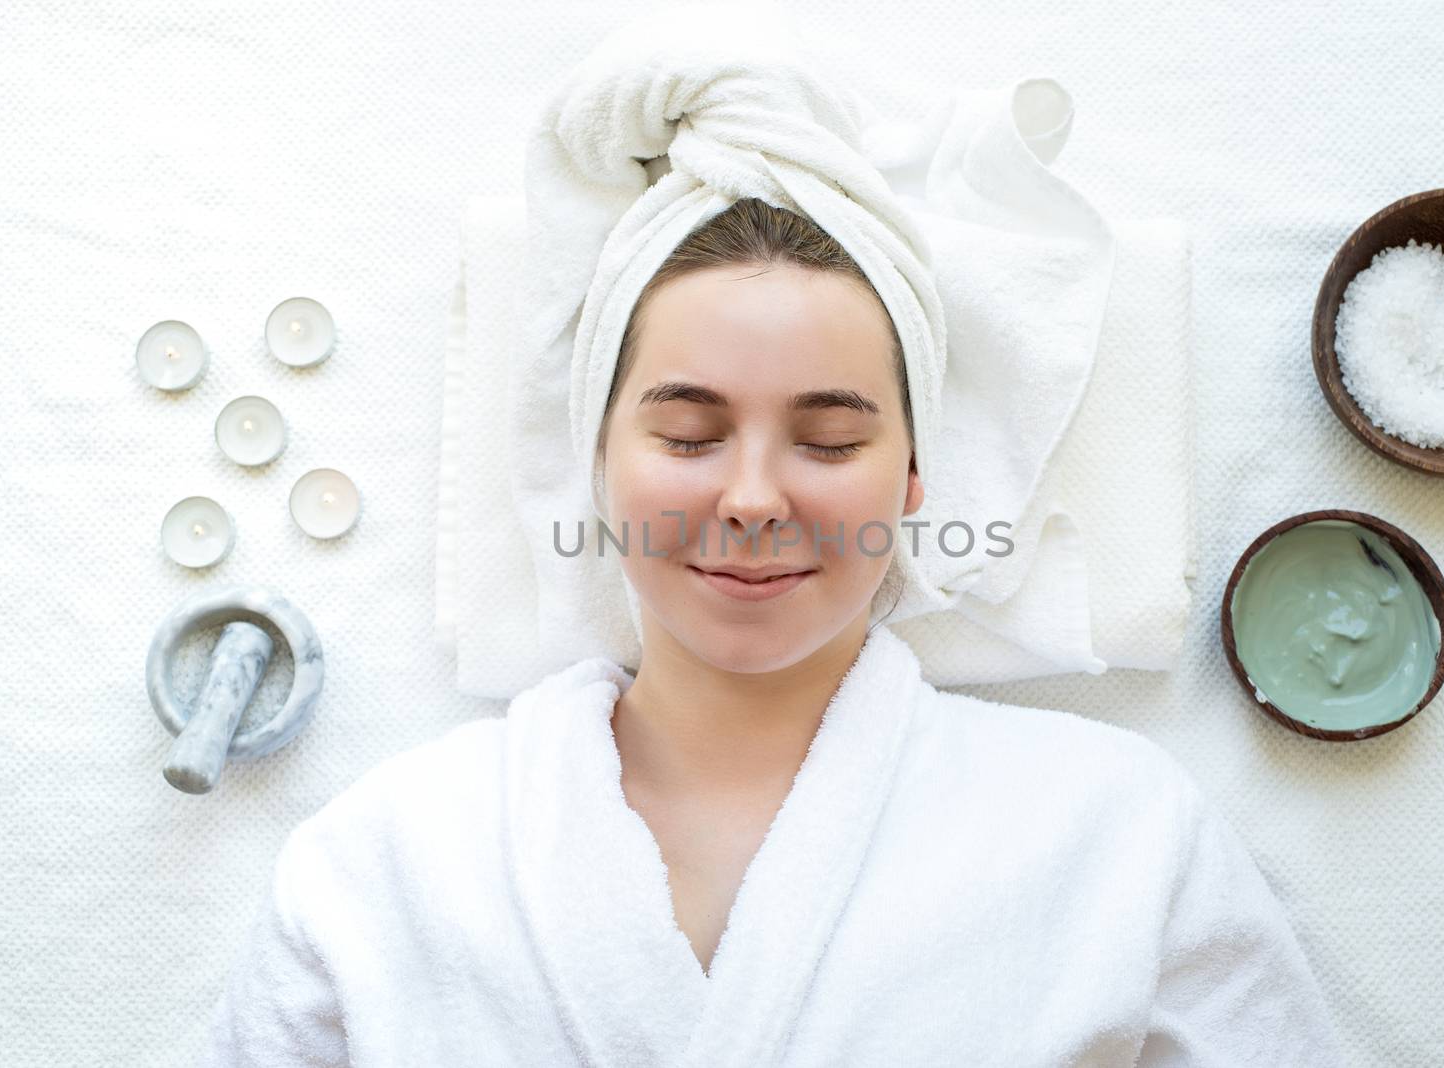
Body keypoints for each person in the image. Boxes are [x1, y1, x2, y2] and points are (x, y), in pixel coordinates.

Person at [200, 197, 1346, 1067]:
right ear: (597, 470)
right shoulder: (381, 862)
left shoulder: (1118, 833)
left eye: (830, 442)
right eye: (690, 436)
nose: (751, 497)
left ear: (910, 480)